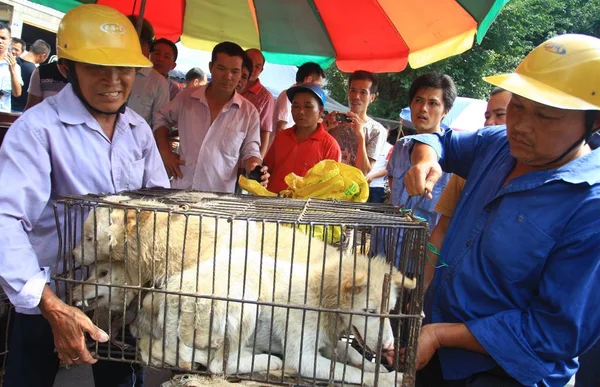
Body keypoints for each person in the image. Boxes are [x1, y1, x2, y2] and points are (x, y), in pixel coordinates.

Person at [401, 34, 600, 387]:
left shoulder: (590, 209)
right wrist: (426, 160)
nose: (522, 125)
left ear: (593, 122)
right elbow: (439, 140)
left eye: (546, 116)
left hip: (503, 374)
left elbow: (554, 332)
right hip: (435, 348)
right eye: (519, 107)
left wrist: (442, 334)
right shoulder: (498, 146)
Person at [0, 5, 170, 387]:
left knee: (123, 381)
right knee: (29, 378)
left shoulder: (137, 129)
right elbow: (6, 219)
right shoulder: (38, 130)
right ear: (66, 69)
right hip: (49, 297)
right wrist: (51, 306)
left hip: (118, 298)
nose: (112, 80)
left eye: (123, 68)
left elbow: (161, 206)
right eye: (96, 67)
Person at [425, 87, 511, 289]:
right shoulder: (470, 171)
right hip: (448, 286)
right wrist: (425, 284)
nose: (490, 122)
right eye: (487, 116)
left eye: (500, 115)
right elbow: (441, 230)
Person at [154, 41, 268, 193]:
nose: (228, 76)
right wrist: (165, 152)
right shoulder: (187, 97)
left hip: (219, 199)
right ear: (211, 67)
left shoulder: (249, 112)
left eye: (235, 71)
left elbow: (251, 150)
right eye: (222, 68)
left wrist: (255, 168)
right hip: (181, 190)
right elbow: (161, 118)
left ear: (241, 74)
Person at [370, 73, 456, 260]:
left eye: (433, 103)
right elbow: (393, 192)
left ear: (446, 110)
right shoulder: (401, 146)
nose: (423, 108)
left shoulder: (453, 153)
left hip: (419, 253)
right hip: (386, 244)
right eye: (418, 100)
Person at [263, 83, 341, 193]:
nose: (301, 111)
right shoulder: (281, 137)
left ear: (321, 111)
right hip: (272, 203)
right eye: (296, 106)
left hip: (307, 208)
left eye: (308, 106)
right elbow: (267, 169)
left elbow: (331, 187)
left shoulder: (330, 146)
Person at [324, 70, 387, 175]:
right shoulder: (334, 121)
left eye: (363, 92)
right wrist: (323, 130)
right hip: (327, 186)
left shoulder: (376, 131)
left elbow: (363, 172)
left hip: (353, 189)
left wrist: (361, 136)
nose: (356, 96)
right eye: (353, 90)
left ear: (372, 97)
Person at [126, 16, 170, 130]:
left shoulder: (159, 83)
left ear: (150, 48)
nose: (136, 47)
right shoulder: (108, 73)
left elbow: (160, 124)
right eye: (131, 40)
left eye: (142, 43)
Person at [273, 62, 326, 134]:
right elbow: (281, 128)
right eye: (318, 85)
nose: (319, 89)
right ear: (308, 80)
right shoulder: (287, 96)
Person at [241, 48, 275, 157]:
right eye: (249, 63)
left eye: (257, 66)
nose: (252, 69)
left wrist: (257, 162)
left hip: (244, 160)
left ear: (261, 70)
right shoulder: (230, 87)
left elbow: (265, 132)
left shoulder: (265, 97)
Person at [11, 39, 50, 112]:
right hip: (19, 110)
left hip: (6, 104)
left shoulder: (13, 61)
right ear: (43, 55)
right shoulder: (35, 72)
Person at [0, 22, 22, 112]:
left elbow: (17, 93)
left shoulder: (15, 66)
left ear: (9, 41)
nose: (0, 41)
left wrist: (12, 71)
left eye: (3, 38)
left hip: (3, 115)